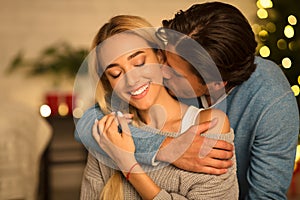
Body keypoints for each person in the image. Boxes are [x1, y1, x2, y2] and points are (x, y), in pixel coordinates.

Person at [75, 2, 299, 199]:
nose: (161, 69)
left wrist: (131, 165)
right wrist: (162, 149)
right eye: (162, 56)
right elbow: (90, 123)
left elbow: (266, 195)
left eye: (172, 70)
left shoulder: (271, 102)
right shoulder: (168, 63)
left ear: (214, 83)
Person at [79, 15, 238, 199]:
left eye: (139, 63)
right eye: (116, 74)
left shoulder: (209, 124)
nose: (131, 80)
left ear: (160, 58)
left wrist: (128, 164)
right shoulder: (110, 133)